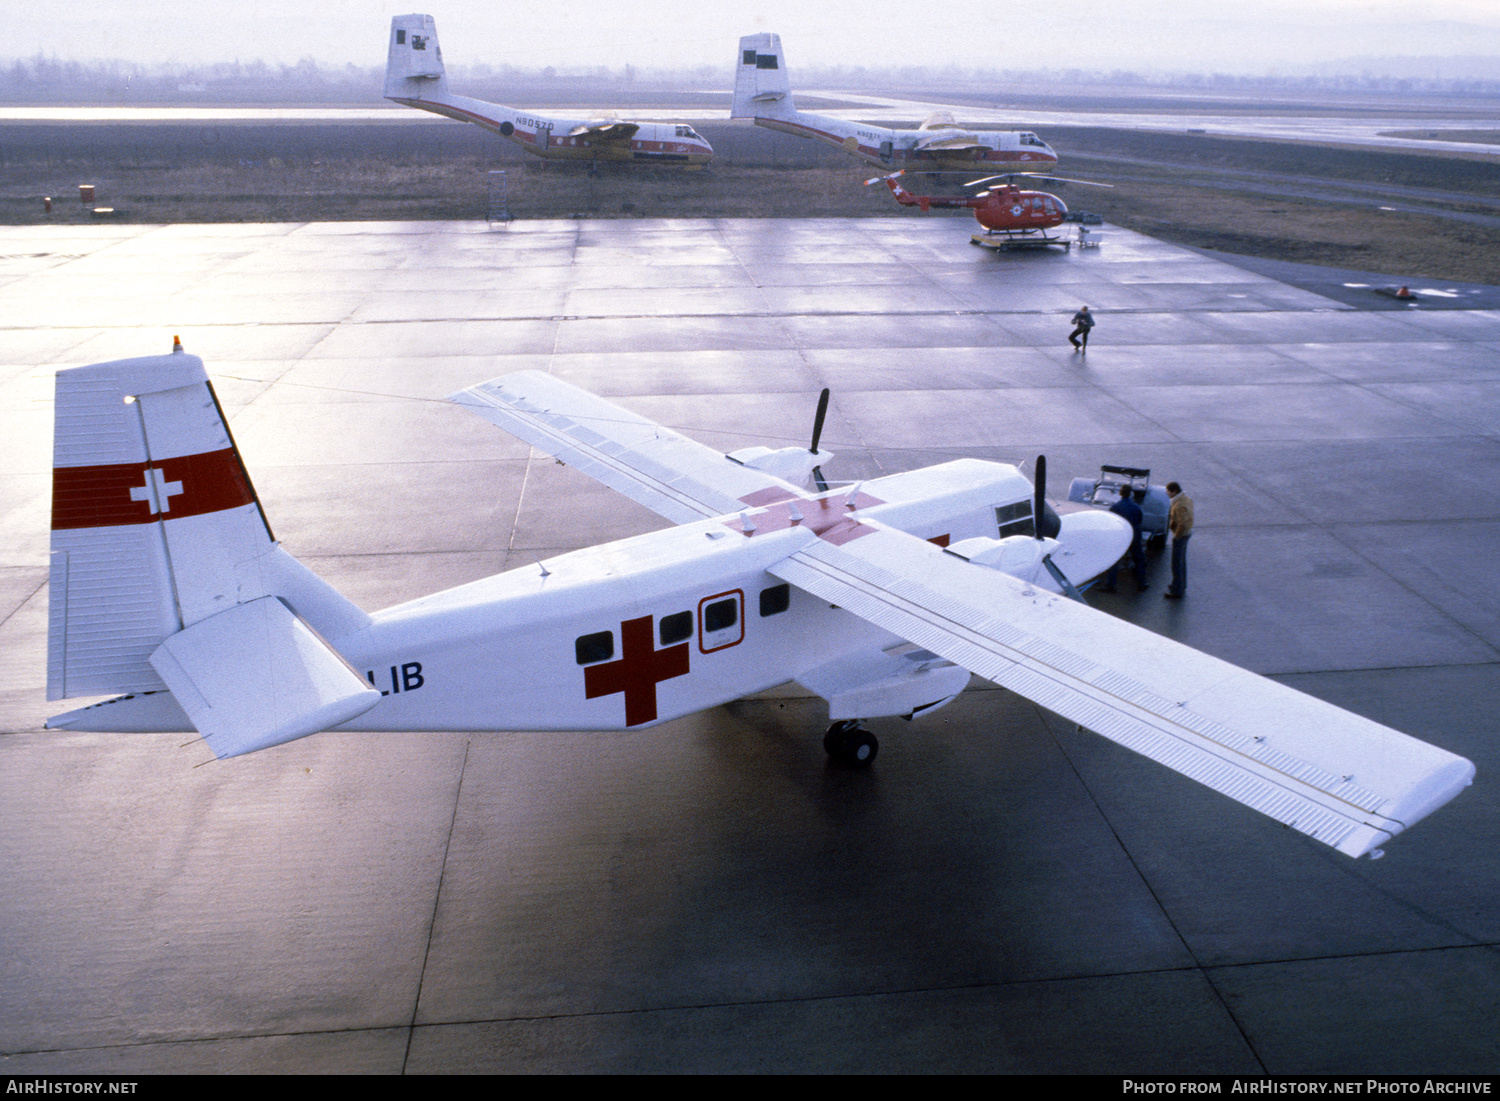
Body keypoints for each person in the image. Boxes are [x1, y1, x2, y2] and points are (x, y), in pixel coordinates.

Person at [1102, 485, 1147, 592]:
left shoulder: (1115, 507)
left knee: (1115, 560)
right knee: (1139, 559)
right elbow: (1139, 520)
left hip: (1121, 535)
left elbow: (1111, 522)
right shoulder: (1136, 507)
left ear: (1120, 494)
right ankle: (1141, 583)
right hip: (1134, 535)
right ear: (1130, 494)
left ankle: (1110, 585)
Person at [1164, 481, 1194, 599]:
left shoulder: (1179, 505)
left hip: (1181, 536)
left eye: (1168, 491)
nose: (1167, 493)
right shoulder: (1185, 499)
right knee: (1181, 562)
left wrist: (1176, 536)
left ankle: (1177, 590)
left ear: (1174, 491)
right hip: (1187, 534)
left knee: (1176, 563)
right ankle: (1181, 585)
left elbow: (1182, 523)